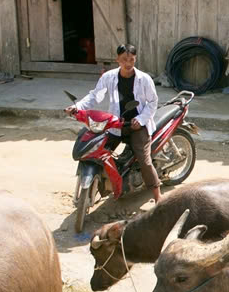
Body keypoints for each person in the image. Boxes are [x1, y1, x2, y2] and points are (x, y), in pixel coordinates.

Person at [66, 44, 163, 205]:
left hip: (138, 125)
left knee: (144, 160)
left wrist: (141, 119)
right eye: (124, 59)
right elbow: (94, 96)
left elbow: (153, 102)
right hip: (116, 124)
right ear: (117, 59)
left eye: (131, 59)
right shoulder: (108, 77)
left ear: (135, 59)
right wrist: (77, 108)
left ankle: (157, 195)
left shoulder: (144, 79)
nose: (128, 63)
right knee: (97, 149)